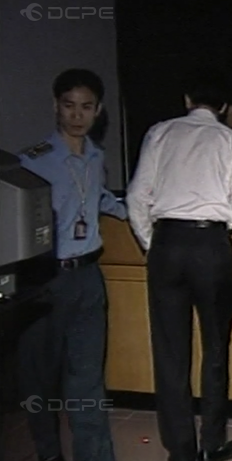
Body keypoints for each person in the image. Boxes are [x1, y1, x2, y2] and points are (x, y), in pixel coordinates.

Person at [126, 68, 232, 461]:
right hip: (211, 247)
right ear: (225, 106)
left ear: (187, 99)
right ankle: (212, 443)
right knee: (215, 349)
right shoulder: (230, 141)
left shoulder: (160, 133)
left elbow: (136, 198)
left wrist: (153, 244)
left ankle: (181, 451)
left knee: (170, 354)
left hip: (167, 244)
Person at [17, 68, 126, 461]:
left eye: (86, 107)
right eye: (69, 106)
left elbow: (98, 199)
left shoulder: (96, 156)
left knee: (88, 380)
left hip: (88, 277)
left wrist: (139, 212)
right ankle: (49, 453)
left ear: (98, 110)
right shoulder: (33, 161)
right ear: (56, 106)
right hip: (47, 281)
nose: (77, 116)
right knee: (40, 380)